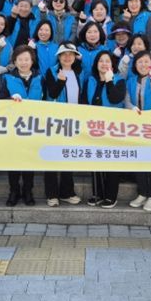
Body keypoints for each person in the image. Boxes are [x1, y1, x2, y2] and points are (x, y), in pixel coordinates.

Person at [81, 50, 126, 208]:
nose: (104, 64)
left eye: (107, 61)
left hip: (112, 128)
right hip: (94, 127)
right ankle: (98, 193)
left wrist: (109, 81)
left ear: (112, 65)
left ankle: (111, 196)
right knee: (95, 160)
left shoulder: (119, 80)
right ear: (96, 64)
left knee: (111, 161)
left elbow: (115, 99)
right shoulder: (90, 80)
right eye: (101, 61)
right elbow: (84, 102)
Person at [0, 45, 43, 207]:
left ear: (32, 61)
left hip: (34, 125)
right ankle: (14, 191)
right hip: (14, 126)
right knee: (14, 160)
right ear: (15, 62)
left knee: (29, 159)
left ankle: (28, 191)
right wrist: (9, 99)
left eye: (27, 59)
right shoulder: (8, 78)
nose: (24, 62)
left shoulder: (40, 78)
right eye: (20, 59)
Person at [43, 42, 83, 207]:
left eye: (71, 54)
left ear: (75, 57)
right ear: (59, 57)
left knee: (68, 156)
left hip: (73, 122)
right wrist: (60, 81)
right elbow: (51, 94)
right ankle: (52, 194)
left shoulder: (79, 73)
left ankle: (67, 192)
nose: (67, 57)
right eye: (64, 54)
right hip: (55, 121)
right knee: (52, 156)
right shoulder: (51, 71)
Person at [125, 51, 151, 212]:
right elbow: (127, 99)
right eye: (139, 62)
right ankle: (142, 193)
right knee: (139, 159)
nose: (143, 64)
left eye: (146, 61)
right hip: (136, 126)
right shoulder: (131, 81)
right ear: (135, 65)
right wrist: (131, 107)